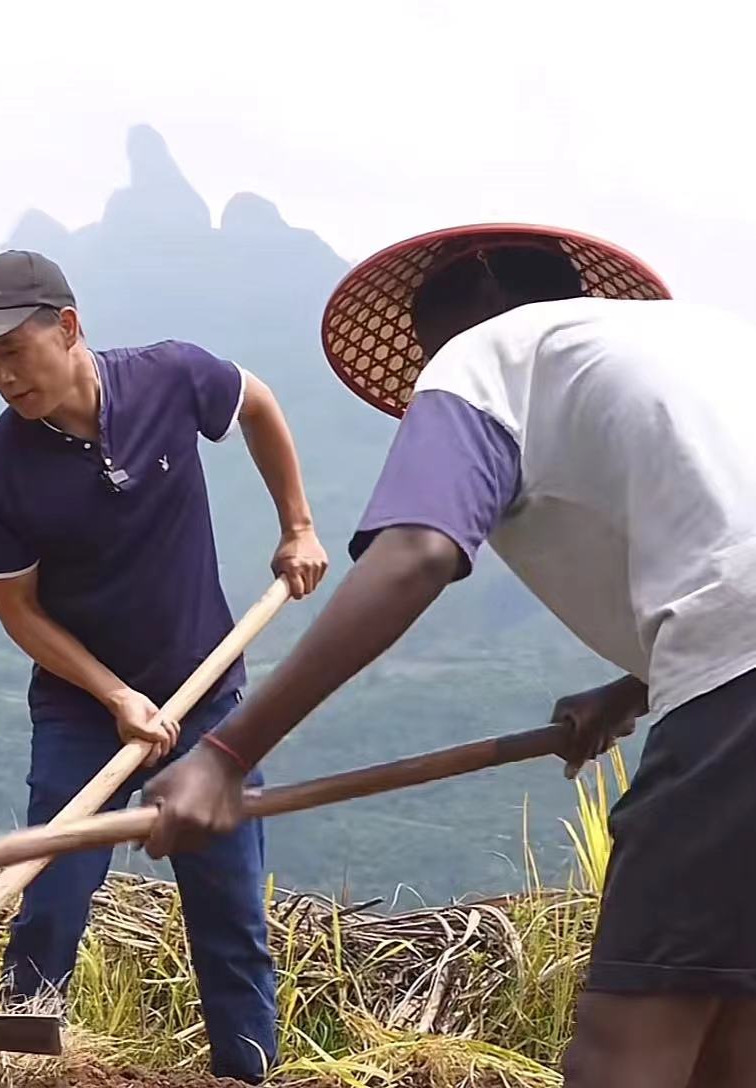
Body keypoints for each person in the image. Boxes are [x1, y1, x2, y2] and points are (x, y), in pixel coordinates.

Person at [140, 223, 756, 1088]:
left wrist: (228, 755)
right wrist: (636, 687)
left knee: (632, 1042)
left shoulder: (487, 357)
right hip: (733, 682)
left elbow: (419, 553)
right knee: (731, 1020)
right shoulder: (709, 340)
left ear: (471, 308)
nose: (425, 365)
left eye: (425, 340)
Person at [0, 249, 328, 1083]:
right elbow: (21, 614)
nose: (1, 377)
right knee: (52, 897)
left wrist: (297, 524)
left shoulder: (171, 378)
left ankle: (246, 1073)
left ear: (68, 329)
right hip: (81, 708)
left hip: (207, 693)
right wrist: (114, 694)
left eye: (12, 353)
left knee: (230, 908)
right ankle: (21, 1063)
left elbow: (259, 403)